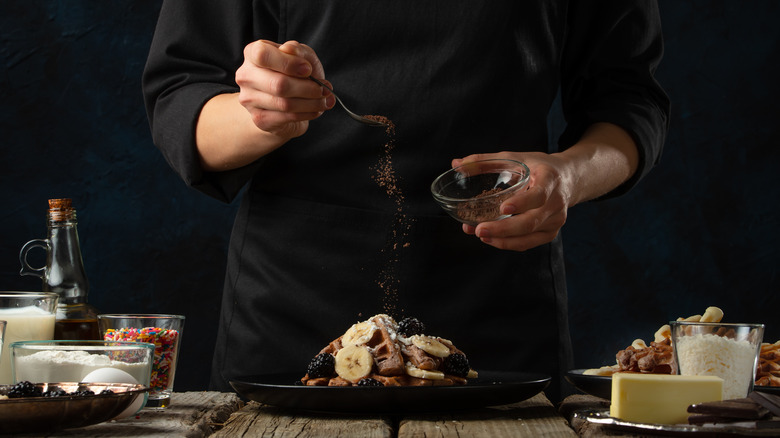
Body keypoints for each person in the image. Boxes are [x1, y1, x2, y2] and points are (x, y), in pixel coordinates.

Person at [143, 0, 669, 402]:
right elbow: (180, 97)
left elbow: (628, 99)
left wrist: (571, 177)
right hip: (294, 306)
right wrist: (262, 113)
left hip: (496, 299)